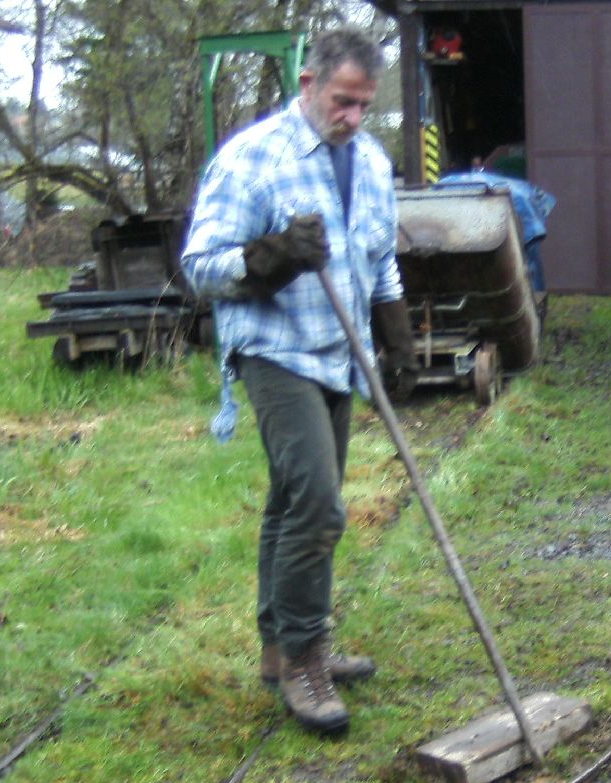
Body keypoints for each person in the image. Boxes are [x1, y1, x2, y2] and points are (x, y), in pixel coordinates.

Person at [182, 27, 418, 735]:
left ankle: (278, 645)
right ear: (309, 85)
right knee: (318, 504)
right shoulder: (252, 158)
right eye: (343, 101)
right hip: (275, 350)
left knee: (294, 501)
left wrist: (396, 333)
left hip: (339, 353)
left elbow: (379, 257)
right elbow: (200, 266)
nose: (353, 117)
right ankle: (305, 659)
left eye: (365, 105)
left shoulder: (370, 160)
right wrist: (274, 256)